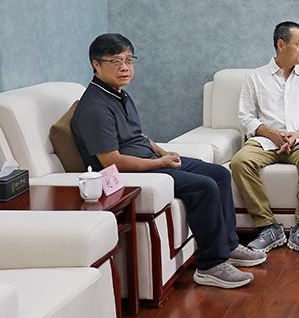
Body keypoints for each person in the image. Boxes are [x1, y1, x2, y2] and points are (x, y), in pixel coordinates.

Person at [71, 34, 265, 290]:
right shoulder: (94, 108)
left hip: (149, 160)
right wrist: (159, 163)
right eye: (116, 61)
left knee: (219, 174)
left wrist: (163, 152)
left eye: (129, 60)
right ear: (96, 64)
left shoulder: (118, 94)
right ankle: (210, 266)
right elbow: (112, 162)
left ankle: (227, 245)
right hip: (131, 172)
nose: (125, 68)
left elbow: (138, 135)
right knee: (204, 186)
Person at [230, 21, 299, 257]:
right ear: (281, 44)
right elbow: (246, 116)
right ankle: (268, 227)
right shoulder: (255, 77)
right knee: (239, 162)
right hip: (265, 141)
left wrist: (298, 134)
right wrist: (272, 134)